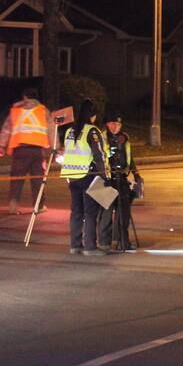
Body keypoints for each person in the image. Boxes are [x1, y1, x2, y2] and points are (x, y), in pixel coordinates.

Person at [59, 100, 108, 256]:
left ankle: (75, 245)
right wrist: (104, 177)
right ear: (92, 116)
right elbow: (99, 155)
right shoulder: (92, 131)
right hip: (88, 176)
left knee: (76, 212)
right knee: (90, 213)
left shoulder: (70, 131)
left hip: (71, 177)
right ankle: (90, 247)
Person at [0, 87, 51, 214]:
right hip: (37, 151)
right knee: (37, 180)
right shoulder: (43, 111)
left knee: (16, 180)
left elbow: (6, 129)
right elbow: (51, 130)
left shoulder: (16, 111)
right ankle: (39, 206)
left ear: (25, 97)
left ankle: (13, 207)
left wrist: (1, 146)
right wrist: (54, 149)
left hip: (20, 150)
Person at [98, 112, 141, 251]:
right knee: (107, 209)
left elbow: (129, 157)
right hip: (106, 179)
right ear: (107, 124)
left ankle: (122, 241)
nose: (116, 126)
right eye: (113, 123)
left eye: (118, 124)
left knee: (124, 211)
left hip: (122, 177)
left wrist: (136, 173)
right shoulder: (101, 137)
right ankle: (105, 242)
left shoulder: (125, 137)